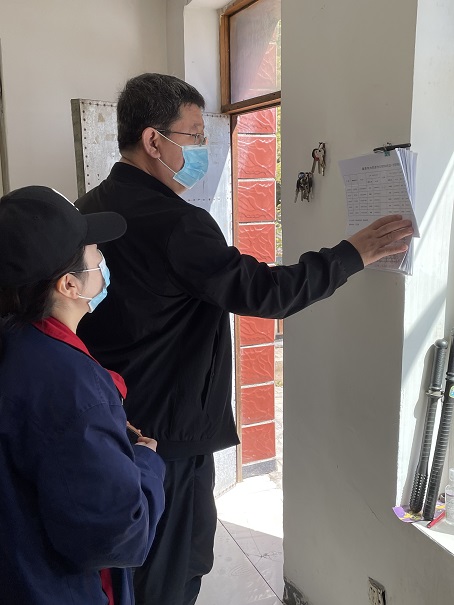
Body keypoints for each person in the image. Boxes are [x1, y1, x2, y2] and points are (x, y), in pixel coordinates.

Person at [76, 73, 414, 605]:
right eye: (193, 136)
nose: (202, 149)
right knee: (174, 570)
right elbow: (267, 292)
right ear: (153, 141)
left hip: (112, 415)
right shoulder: (178, 224)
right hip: (169, 436)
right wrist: (352, 254)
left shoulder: (88, 209)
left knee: (133, 565)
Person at [0, 186, 166, 605]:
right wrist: (145, 462)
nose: (103, 260)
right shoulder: (72, 388)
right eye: (95, 252)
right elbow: (120, 537)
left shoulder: (16, 343)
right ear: (70, 285)